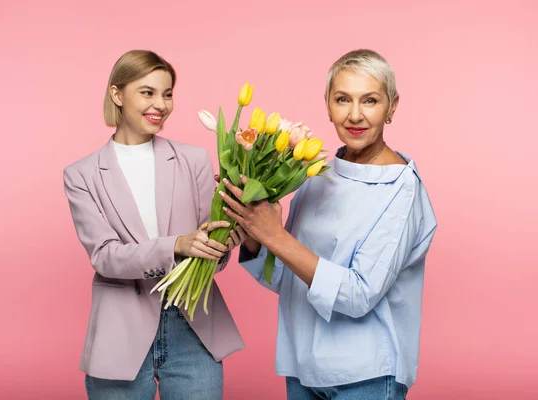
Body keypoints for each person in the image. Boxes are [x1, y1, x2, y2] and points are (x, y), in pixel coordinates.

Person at [220, 49, 437, 400]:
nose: (355, 115)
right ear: (327, 104)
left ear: (392, 106)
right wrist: (255, 235)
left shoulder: (401, 190)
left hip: (366, 375)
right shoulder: (315, 174)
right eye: (342, 99)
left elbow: (358, 295)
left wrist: (275, 235)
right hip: (303, 366)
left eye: (370, 100)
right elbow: (292, 279)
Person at [63, 49, 244, 400]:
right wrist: (176, 244)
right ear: (117, 94)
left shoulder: (194, 160)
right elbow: (105, 256)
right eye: (148, 92)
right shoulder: (81, 174)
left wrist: (226, 239)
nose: (160, 104)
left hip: (193, 326)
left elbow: (214, 254)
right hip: (121, 333)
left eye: (168, 93)